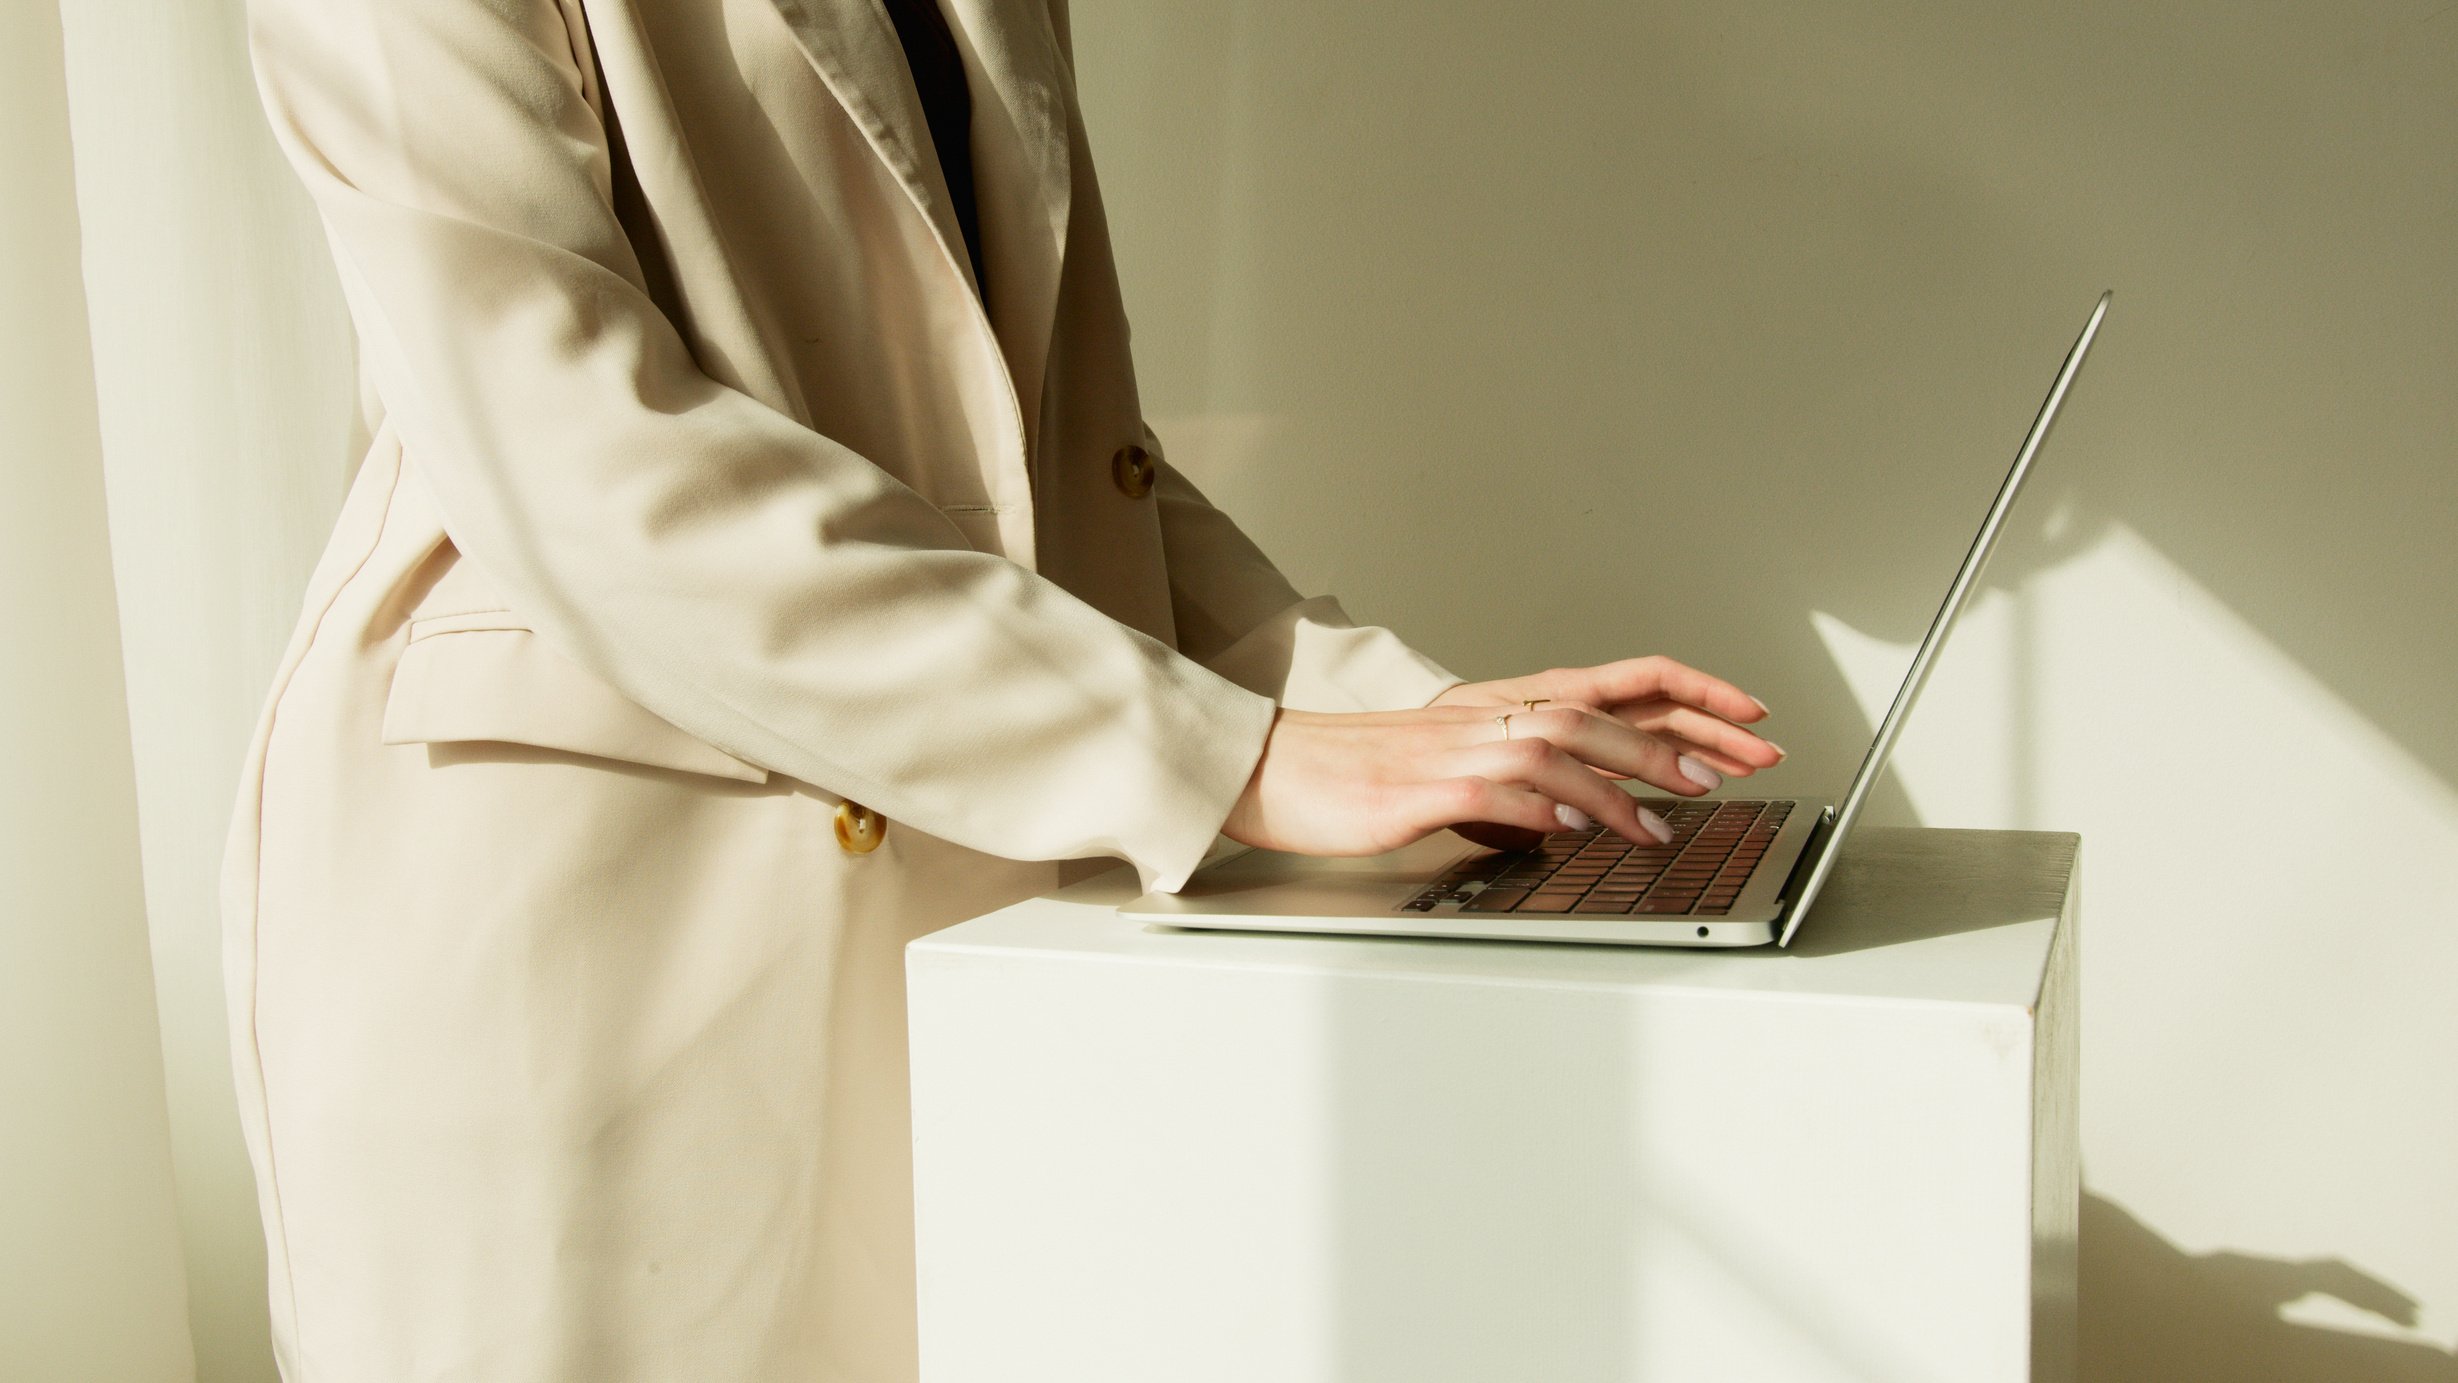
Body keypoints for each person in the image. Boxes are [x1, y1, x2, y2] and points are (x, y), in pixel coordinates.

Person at [222, 0, 1783, 1378]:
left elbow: (1049, 466)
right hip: (593, 949)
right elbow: (579, 452)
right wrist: (1231, 756)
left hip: (957, 921)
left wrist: (1408, 722)